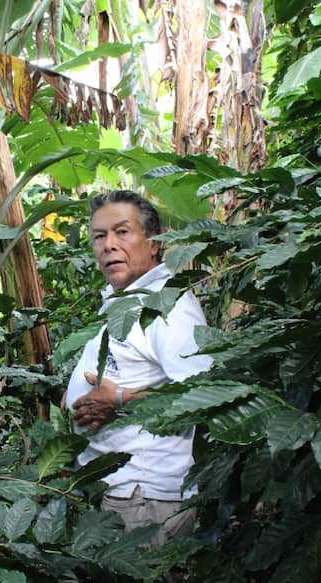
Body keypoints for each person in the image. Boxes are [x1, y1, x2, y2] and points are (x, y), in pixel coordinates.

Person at [64, 190, 212, 546]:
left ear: (155, 243)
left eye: (122, 232)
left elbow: (205, 397)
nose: (109, 245)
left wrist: (117, 399)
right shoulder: (127, 299)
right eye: (99, 236)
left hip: (146, 499)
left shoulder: (168, 306)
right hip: (122, 491)